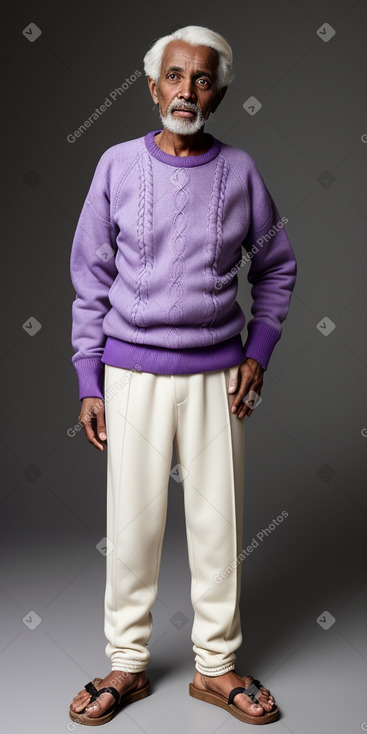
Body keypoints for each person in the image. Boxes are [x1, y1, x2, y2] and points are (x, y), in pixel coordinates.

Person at [68, 24, 297, 726]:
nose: (186, 91)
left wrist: (256, 353)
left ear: (219, 92)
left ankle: (216, 668)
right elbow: (89, 280)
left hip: (215, 375)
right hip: (128, 373)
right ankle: (126, 665)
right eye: (174, 76)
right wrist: (88, 379)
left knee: (215, 527)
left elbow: (276, 268)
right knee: (130, 527)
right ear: (150, 85)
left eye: (201, 79)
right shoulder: (112, 166)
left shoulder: (242, 172)